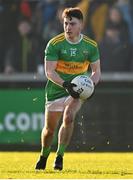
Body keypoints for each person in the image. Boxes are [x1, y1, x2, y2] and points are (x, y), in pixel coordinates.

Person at [35, 7, 101, 171]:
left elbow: (96, 71)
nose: (68, 27)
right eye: (65, 23)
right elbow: (49, 72)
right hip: (56, 89)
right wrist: (66, 85)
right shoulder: (55, 44)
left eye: (72, 23)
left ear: (81, 25)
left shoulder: (91, 46)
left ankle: (59, 156)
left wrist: (90, 86)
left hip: (76, 91)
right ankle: (44, 154)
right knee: (49, 130)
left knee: (69, 117)